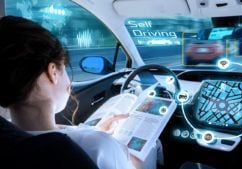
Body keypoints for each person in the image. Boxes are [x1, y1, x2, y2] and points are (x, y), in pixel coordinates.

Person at [0, 16, 158, 169]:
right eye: (65, 67)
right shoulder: (99, 147)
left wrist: (93, 133)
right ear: (52, 72)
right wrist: (134, 159)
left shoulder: (8, 140)